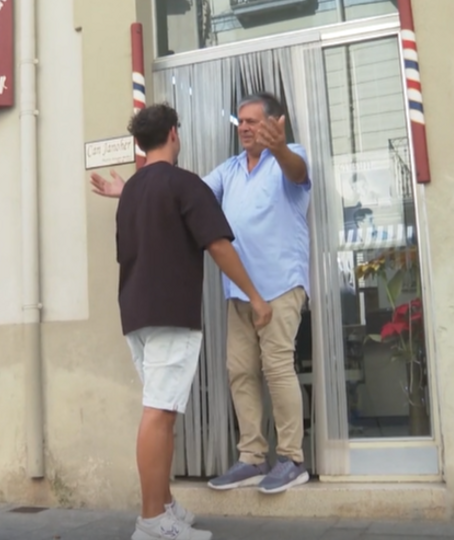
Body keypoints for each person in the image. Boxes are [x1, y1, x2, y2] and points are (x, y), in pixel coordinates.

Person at [92, 92, 312, 495]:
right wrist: (130, 191)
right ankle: (252, 457)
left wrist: (280, 150)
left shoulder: (288, 158)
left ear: (273, 123)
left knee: (276, 368)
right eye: (240, 122)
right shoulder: (228, 170)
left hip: (279, 286)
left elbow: (298, 173)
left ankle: (292, 459)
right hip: (240, 293)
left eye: (253, 121)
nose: (245, 127)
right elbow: (179, 196)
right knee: (240, 371)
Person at [114, 103, 273, 540]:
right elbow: (218, 246)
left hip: (136, 312)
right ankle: (152, 523)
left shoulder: (131, 191)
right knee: (159, 414)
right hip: (170, 313)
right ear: (173, 134)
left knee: (162, 412)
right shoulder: (185, 184)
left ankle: (163, 505)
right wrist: (256, 298)